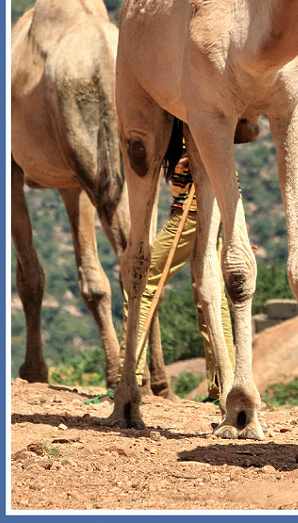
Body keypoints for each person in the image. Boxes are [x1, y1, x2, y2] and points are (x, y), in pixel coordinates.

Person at [118, 138, 236, 402]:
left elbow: (207, 158)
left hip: (189, 214)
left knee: (142, 285)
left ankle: (128, 378)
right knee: (211, 297)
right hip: (212, 213)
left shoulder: (184, 119)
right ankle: (223, 386)